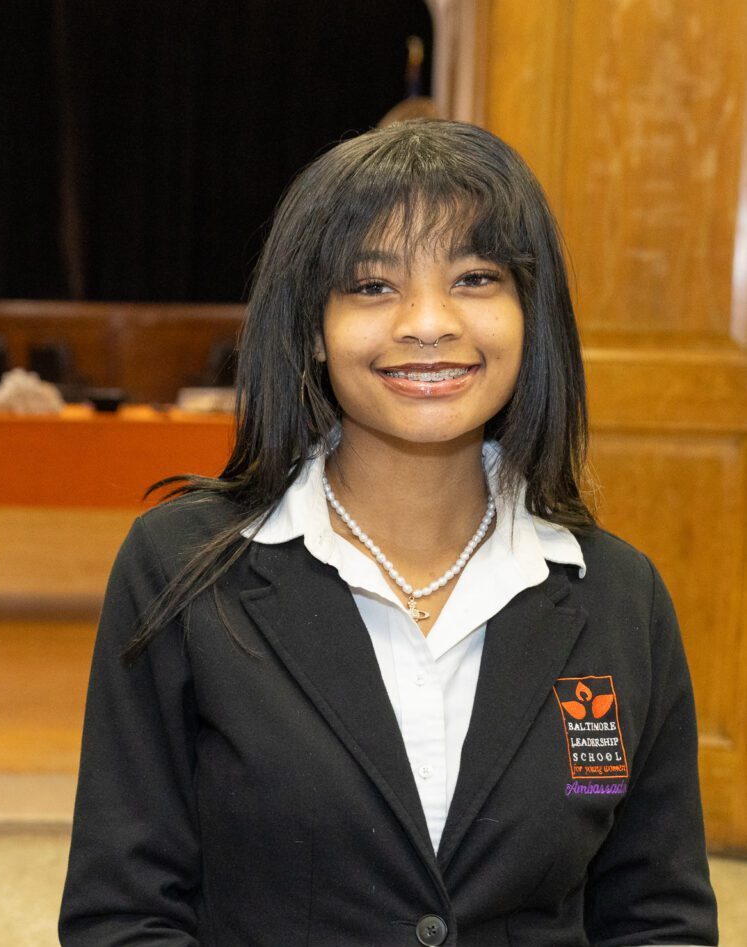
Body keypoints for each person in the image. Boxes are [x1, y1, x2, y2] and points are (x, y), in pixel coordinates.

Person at [60, 120, 717, 945]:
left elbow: (658, 918)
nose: (428, 322)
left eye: (474, 278)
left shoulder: (619, 594)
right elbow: (124, 914)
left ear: (530, 315)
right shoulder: (181, 569)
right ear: (311, 328)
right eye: (372, 286)